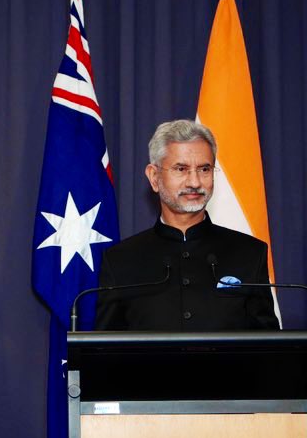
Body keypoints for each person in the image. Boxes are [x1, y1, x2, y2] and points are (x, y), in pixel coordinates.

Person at [94, 119, 278, 331]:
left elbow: (269, 348)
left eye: (204, 169)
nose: (194, 182)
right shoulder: (120, 260)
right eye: (181, 169)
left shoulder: (249, 253)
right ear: (154, 177)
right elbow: (105, 353)